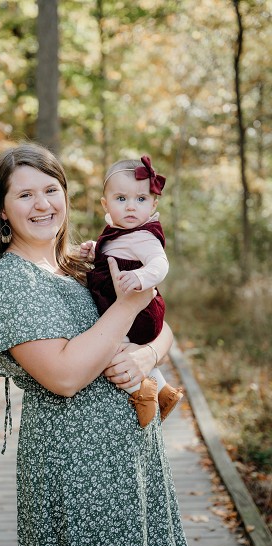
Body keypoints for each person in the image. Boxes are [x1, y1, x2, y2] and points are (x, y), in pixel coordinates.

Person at [0, 143, 199, 546]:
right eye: (25, 195)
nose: (42, 204)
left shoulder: (80, 262)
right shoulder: (9, 280)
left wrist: (146, 356)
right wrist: (128, 304)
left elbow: (163, 327)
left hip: (133, 455)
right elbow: (64, 377)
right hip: (74, 465)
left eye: (51, 190)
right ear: (1, 210)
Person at [81, 155, 182, 428]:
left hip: (141, 311)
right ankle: (164, 392)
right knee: (118, 345)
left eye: (141, 199)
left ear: (153, 205)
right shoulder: (120, 232)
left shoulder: (144, 236)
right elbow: (115, 252)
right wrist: (95, 250)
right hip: (129, 308)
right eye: (121, 198)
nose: (130, 206)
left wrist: (140, 276)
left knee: (111, 348)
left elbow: (160, 264)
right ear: (106, 204)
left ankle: (142, 391)